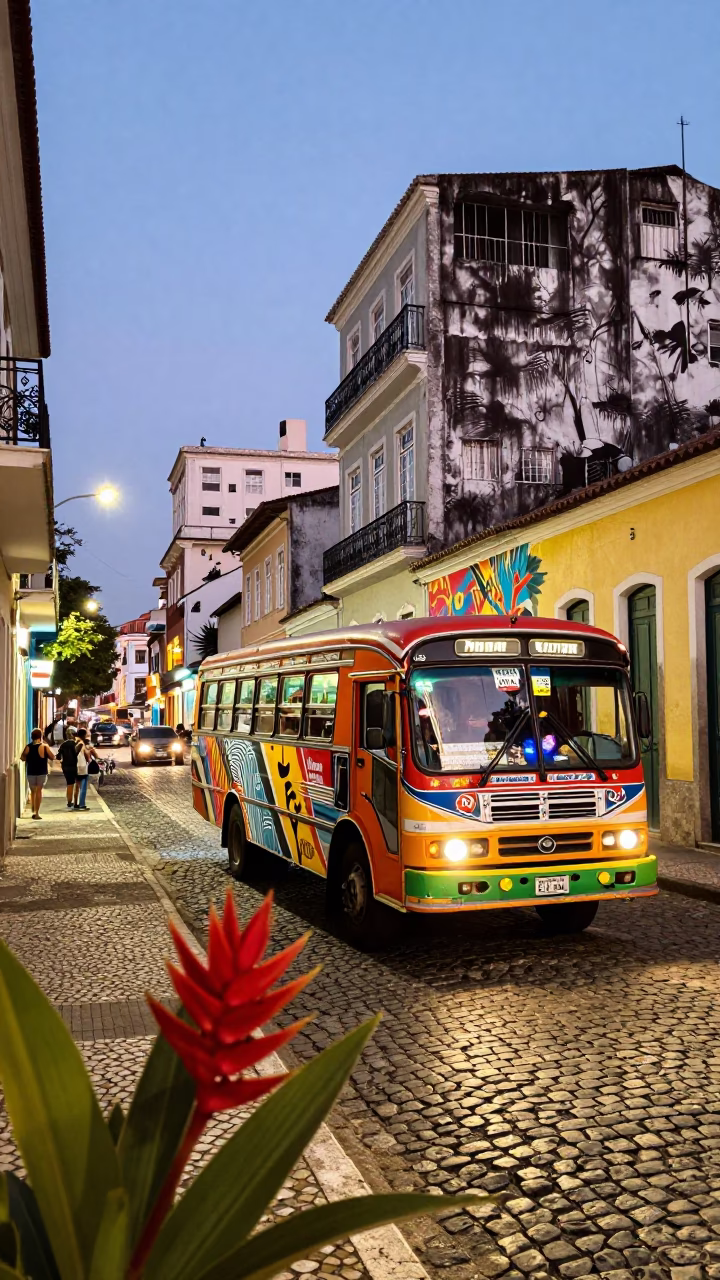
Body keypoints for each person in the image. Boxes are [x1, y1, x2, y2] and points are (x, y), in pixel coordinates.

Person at [21, 729, 55, 819]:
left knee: (33, 791)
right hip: (41, 772)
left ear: (32, 736)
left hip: (31, 772)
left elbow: (22, 757)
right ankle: (37, 813)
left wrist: (29, 758)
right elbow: (52, 757)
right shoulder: (44, 746)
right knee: (39, 791)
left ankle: (33, 807)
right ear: (40, 736)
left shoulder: (28, 747)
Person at [73, 728, 98, 810]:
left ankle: (75, 803)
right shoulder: (82, 743)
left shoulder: (74, 742)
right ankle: (82, 805)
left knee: (76, 785)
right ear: (84, 735)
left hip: (75, 767)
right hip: (82, 767)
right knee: (83, 787)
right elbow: (87, 756)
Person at [56, 726, 79, 808]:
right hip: (75, 766)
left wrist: (62, 759)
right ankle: (76, 801)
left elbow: (58, 757)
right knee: (77, 784)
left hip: (65, 766)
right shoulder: (76, 744)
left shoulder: (63, 744)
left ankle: (69, 801)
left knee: (69, 784)